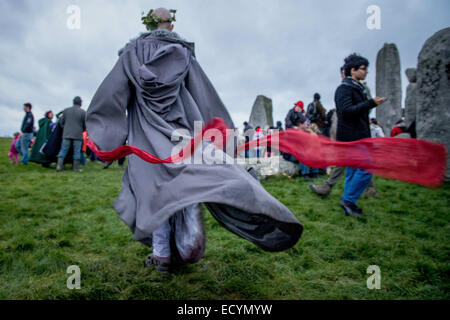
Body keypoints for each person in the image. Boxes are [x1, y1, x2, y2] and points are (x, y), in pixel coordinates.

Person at [85, 8, 302, 272]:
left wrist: (108, 139)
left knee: (152, 193)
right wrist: (224, 135)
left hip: (144, 139)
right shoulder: (183, 54)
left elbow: (110, 98)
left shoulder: (130, 55)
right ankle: (190, 227)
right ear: (171, 26)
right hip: (181, 134)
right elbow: (204, 95)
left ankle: (162, 253)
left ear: (148, 25)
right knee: (187, 181)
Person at [335, 53, 385, 216]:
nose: (366, 72)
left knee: (352, 170)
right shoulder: (344, 88)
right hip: (351, 137)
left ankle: (349, 203)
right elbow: (346, 112)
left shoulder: (357, 88)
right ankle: (349, 200)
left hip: (358, 135)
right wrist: (370, 103)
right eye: (363, 69)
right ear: (353, 70)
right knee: (366, 167)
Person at [56, 97, 86, 172]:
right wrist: (82, 130)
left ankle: (59, 167)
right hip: (78, 135)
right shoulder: (83, 112)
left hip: (66, 134)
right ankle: (76, 168)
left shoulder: (66, 110)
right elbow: (85, 125)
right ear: (80, 103)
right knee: (77, 152)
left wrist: (65, 128)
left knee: (63, 150)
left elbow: (61, 122)